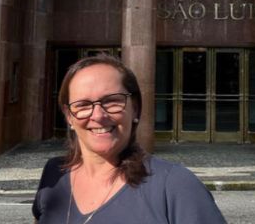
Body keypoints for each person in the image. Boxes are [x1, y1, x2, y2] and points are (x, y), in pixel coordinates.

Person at [33, 54, 228, 223]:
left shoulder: (175, 185)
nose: (98, 115)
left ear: (134, 107)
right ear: (69, 116)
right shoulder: (54, 174)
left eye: (111, 101)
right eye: (83, 105)